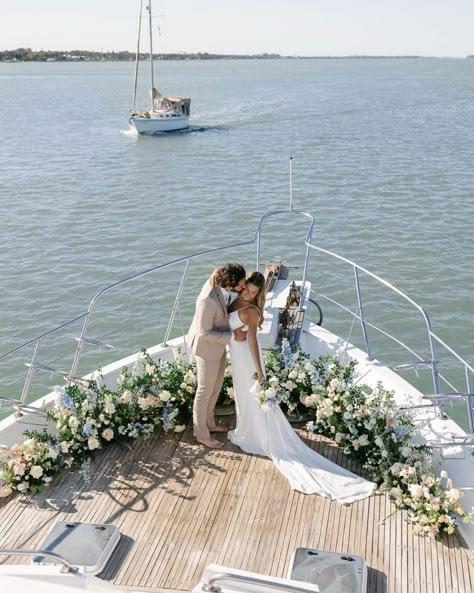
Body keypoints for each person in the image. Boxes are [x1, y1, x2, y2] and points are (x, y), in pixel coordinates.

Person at [227, 271, 376, 503]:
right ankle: (246, 428)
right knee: (242, 396)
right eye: (246, 288)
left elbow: (254, 342)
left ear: (258, 295)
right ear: (242, 285)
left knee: (251, 396)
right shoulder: (235, 298)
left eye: (253, 292)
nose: (247, 293)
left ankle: (255, 434)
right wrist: (232, 332)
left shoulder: (250, 312)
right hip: (236, 355)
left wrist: (260, 373)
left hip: (247, 359)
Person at [188, 263, 247, 448]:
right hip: (206, 349)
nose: (244, 287)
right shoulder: (207, 300)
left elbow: (216, 270)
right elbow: (203, 332)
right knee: (204, 392)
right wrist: (232, 336)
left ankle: (210, 423)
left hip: (218, 347)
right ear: (229, 285)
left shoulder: (220, 282)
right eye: (242, 284)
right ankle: (201, 434)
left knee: (216, 387)